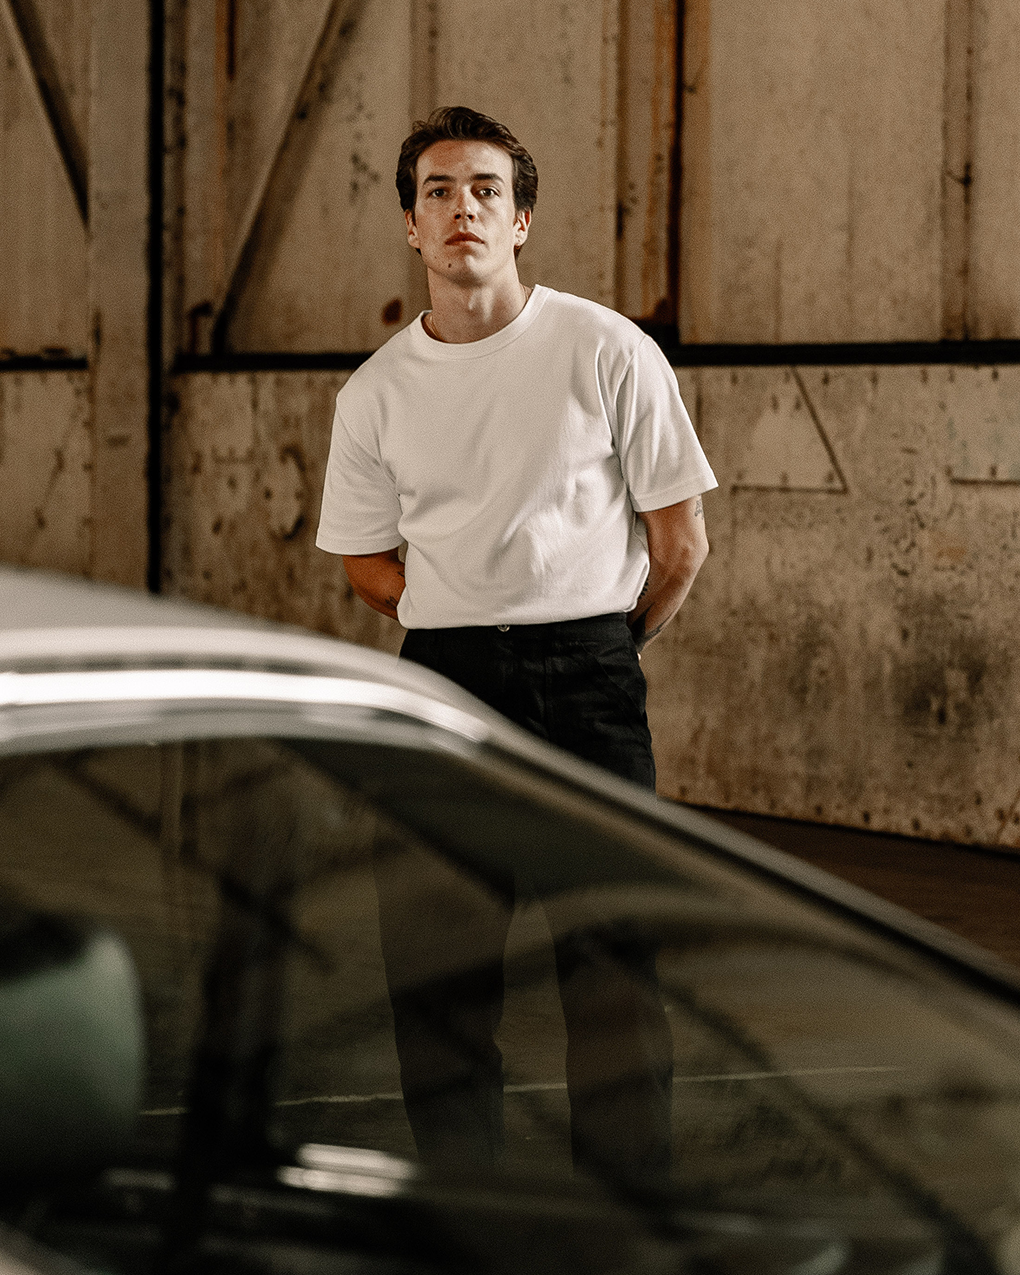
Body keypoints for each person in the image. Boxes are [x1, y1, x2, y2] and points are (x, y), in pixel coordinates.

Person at [316, 106, 717, 1186]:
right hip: (446, 682)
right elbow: (364, 564)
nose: (464, 209)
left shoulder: (607, 349)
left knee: (611, 957)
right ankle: (468, 1200)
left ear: (522, 219)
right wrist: (459, 609)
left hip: (590, 678)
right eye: (439, 191)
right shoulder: (376, 393)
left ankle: (628, 1205)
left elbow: (680, 543)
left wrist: (602, 641)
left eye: (487, 190)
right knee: (439, 967)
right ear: (411, 225)